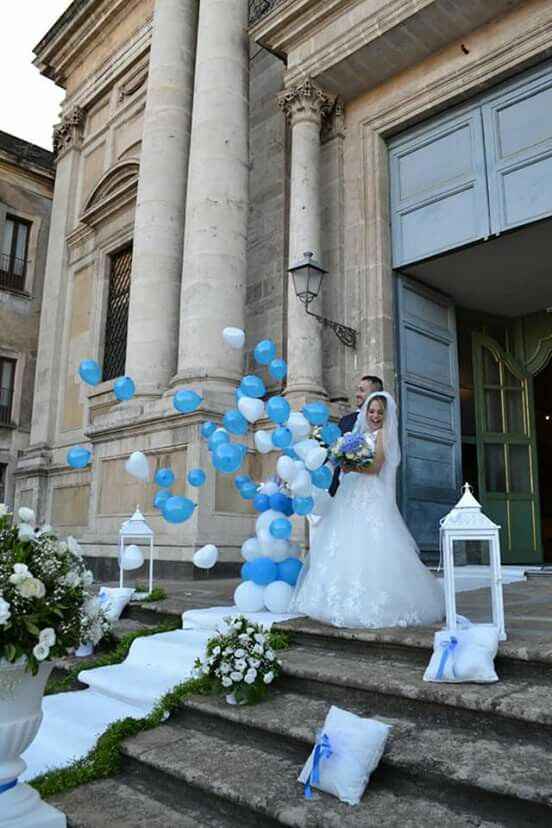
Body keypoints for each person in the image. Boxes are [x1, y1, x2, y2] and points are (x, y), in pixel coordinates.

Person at [291, 392, 445, 629]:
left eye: (379, 413)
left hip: (369, 493)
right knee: (344, 542)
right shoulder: (358, 435)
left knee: (372, 543)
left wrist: (350, 465)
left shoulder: (383, 435)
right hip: (350, 492)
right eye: (371, 411)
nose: (374, 416)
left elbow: (374, 467)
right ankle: (333, 599)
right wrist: (342, 460)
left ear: (386, 416)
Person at [329, 375, 383, 497]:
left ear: (374, 395)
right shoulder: (345, 420)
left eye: (362, 391)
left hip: (367, 491)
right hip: (340, 489)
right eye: (357, 390)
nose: (357, 394)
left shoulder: (382, 425)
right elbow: (332, 452)